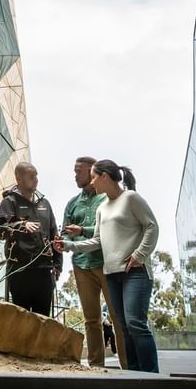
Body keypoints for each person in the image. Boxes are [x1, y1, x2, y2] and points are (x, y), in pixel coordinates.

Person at [56, 159, 160, 372]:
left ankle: (151, 375)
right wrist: (67, 245)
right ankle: (133, 373)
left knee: (135, 324)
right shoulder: (103, 208)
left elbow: (152, 226)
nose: (92, 182)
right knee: (123, 326)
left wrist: (140, 255)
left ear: (104, 176)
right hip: (112, 274)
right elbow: (97, 241)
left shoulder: (131, 198)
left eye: (94, 177)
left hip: (135, 272)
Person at [63, 155, 127, 368]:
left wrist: (82, 231)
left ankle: (128, 367)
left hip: (107, 264)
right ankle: (96, 367)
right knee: (91, 320)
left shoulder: (106, 197)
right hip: (81, 266)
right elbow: (67, 234)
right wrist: (63, 241)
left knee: (118, 318)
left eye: (78, 170)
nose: (75, 175)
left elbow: (107, 230)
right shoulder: (72, 204)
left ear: (92, 172)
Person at [0, 162, 61, 316]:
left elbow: (54, 235)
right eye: (31, 176)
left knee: (44, 322)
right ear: (19, 178)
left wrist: (57, 265)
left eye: (36, 176)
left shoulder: (45, 204)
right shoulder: (10, 202)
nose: (36, 179)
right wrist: (21, 225)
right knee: (22, 322)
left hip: (44, 271)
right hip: (20, 272)